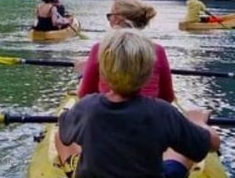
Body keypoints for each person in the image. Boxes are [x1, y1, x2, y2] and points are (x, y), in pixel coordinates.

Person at [57, 29, 219, 178]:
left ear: (103, 73)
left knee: (58, 137)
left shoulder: (86, 107)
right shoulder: (163, 112)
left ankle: (72, 169)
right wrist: (197, 122)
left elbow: (64, 134)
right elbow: (210, 145)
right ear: (149, 73)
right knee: (182, 153)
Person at [77, 0, 173, 101]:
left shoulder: (100, 49)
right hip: (147, 115)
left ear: (117, 19)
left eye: (110, 15)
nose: (109, 19)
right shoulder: (157, 50)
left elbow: (85, 94)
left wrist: (82, 73)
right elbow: (167, 97)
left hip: (108, 114)